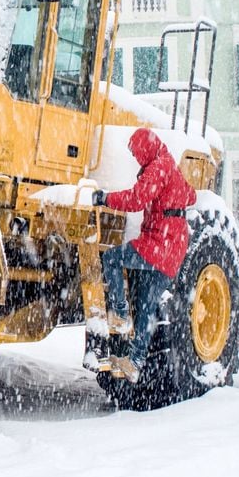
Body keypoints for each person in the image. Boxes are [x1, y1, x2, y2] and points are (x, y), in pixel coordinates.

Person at [91, 127, 196, 383]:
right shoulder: (167, 164)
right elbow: (191, 195)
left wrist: (105, 198)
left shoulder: (159, 167)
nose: (137, 158)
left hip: (159, 242)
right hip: (174, 245)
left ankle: (120, 312)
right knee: (147, 304)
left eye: (137, 153)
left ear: (145, 149)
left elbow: (137, 199)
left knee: (112, 258)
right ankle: (135, 362)